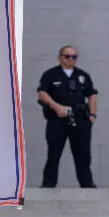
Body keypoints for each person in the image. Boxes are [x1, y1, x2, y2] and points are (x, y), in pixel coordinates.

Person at [37, 45, 99, 188]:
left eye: (74, 57)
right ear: (60, 57)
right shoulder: (50, 75)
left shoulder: (83, 75)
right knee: (54, 152)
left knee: (83, 154)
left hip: (80, 118)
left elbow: (92, 95)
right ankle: (49, 184)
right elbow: (42, 93)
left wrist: (92, 115)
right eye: (67, 56)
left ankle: (87, 184)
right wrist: (57, 107)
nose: (71, 59)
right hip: (57, 118)